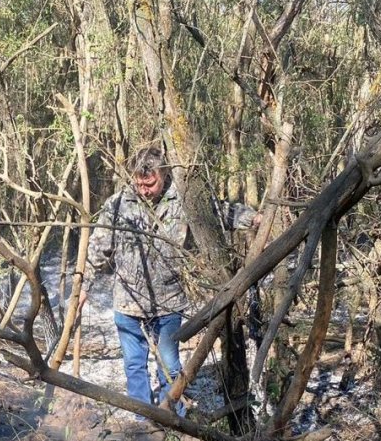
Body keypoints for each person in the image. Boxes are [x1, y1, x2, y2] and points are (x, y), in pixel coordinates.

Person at [79, 145, 257, 422]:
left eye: (150, 184)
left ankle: (174, 420)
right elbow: (99, 246)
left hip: (168, 302)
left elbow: (218, 213)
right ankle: (142, 420)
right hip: (127, 301)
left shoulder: (183, 201)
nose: (144, 190)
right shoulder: (117, 205)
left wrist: (253, 218)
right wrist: (84, 285)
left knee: (171, 368)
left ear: (163, 176)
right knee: (134, 365)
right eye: (139, 184)